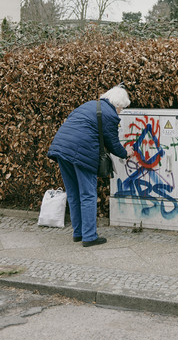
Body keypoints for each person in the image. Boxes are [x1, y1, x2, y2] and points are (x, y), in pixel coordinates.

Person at [47, 84, 133, 247]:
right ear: (118, 104)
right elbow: (113, 143)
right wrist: (126, 153)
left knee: (73, 193)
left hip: (61, 149)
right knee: (88, 194)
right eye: (122, 108)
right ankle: (89, 236)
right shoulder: (110, 114)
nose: (121, 111)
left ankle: (78, 233)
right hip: (81, 153)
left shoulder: (88, 105)